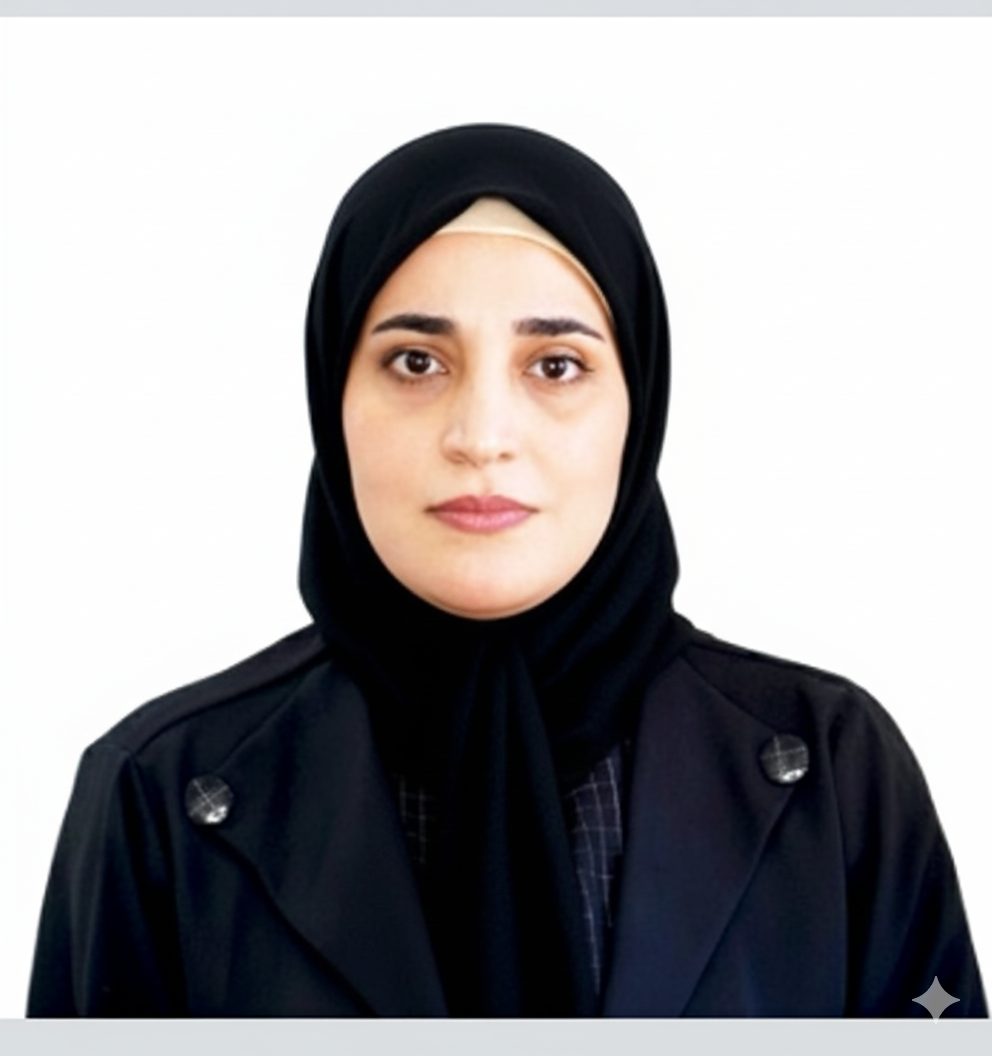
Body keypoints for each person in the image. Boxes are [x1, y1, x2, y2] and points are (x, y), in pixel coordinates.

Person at [27, 124, 986, 1017]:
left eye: (555, 365)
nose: (482, 436)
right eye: (415, 362)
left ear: (638, 405)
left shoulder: (831, 770)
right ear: (331, 398)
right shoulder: (161, 793)